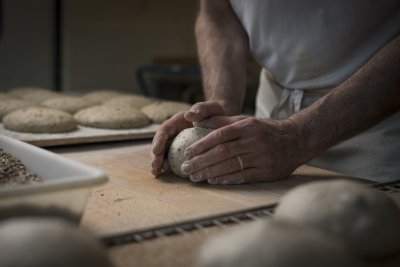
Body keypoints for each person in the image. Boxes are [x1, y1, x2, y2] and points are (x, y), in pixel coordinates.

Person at [151, 0, 400, 184]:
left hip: (374, 129)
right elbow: (217, 12)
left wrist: (299, 136)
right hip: (267, 126)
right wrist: (221, 104)